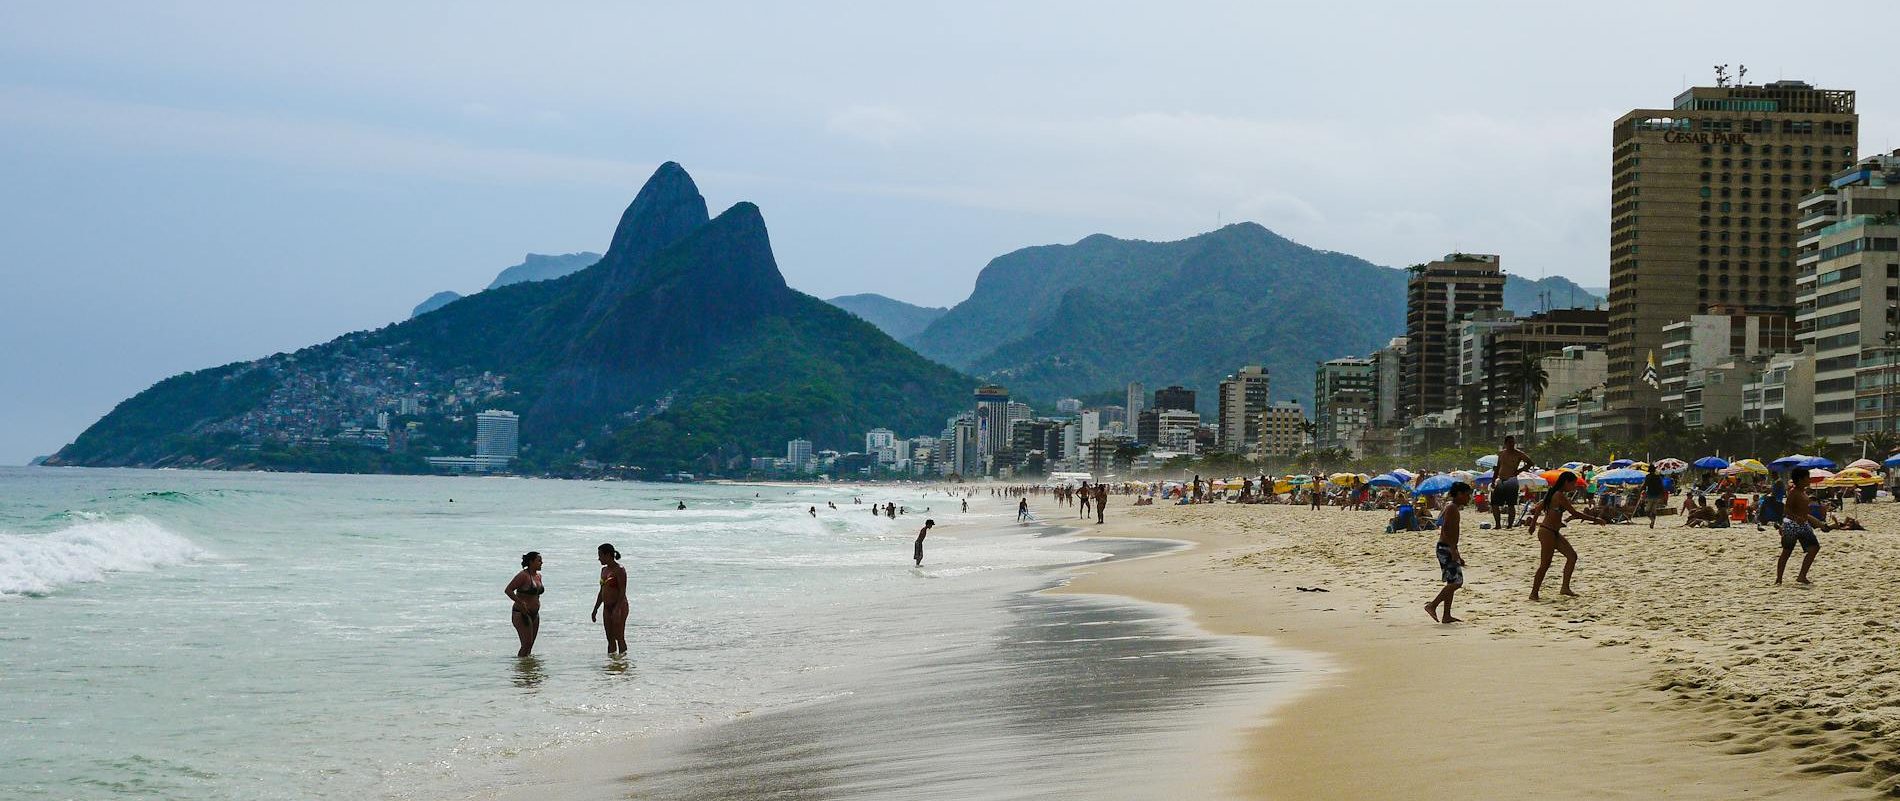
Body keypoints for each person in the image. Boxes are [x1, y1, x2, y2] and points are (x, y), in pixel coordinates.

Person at [1529, 471, 1605, 601]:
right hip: (1547, 532)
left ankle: (1565, 588)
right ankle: (1534, 593)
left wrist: (1533, 524)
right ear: (1566, 482)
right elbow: (1575, 513)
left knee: (1572, 556)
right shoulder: (1558, 495)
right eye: (1573, 484)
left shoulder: (1554, 493)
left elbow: (1540, 507)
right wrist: (1595, 519)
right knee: (1545, 564)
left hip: (1552, 532)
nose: (1574, 486)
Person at [1426, 482, 1472, 623]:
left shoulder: (1453, 507)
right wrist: (1452, 550)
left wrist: (1457, 552)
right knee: (1457, 582)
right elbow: (1445, 529)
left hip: (1448, 547)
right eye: (1466, 495)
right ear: (1459, 494)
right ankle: (1432, 605)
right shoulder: (1452, 508)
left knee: (1451, 581)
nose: (1468, 498)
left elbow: (1452, 532)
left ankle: (1446, 615)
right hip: (1446, 548)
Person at [1776, 468, 1821, 585]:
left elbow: (1805, 512)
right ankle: (1779, 579)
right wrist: (1796, 518)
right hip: (1792, 524)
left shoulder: (1803, 492)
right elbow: (1786, 509)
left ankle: (1802, 576)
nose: (1809, 479)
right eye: (1807, 477)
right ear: (1801, 479)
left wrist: (1816, 522)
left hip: (1803, 524)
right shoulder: (1793, 492)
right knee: (1787, 551)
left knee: (1814, 548)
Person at [504, 551, 545, 657]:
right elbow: (508, 590)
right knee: (526, 644)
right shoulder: (523, 575)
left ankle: (527, 671)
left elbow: (535, 595)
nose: (542, 563)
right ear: (531, 562)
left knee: (530, 645)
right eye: (539, 560)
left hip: (535, 614)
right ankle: (520, 669)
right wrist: (520, 602)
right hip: (521, 613)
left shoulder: (538, 576)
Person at [592, 543, 629, 654]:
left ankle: (622, 664)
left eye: (600, 555)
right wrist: (595, 609)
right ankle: (612, 666)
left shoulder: (619, 570)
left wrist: (617, 609)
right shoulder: (604, 570)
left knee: (619, 637)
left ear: (608, 555)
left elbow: (622, 591)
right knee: (610, 639)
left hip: (619, 606)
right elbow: (601, 592)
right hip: (607, 607)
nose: (599, 558)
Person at [1492, 435, 1534, 529]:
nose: (1512, 444)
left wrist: (1519, 471)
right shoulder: (1502, 453)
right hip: (1501, 479)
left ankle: (1510, 525)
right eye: (1510, 442)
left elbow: (1530, 463)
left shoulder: (1518, 453)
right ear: (1505, 443)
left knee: (1511, 504)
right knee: (1494, 504)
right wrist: (1493, 480)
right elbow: (1498, 467)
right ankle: (1497, 524)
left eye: (1513, 442)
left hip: (1511, 479)